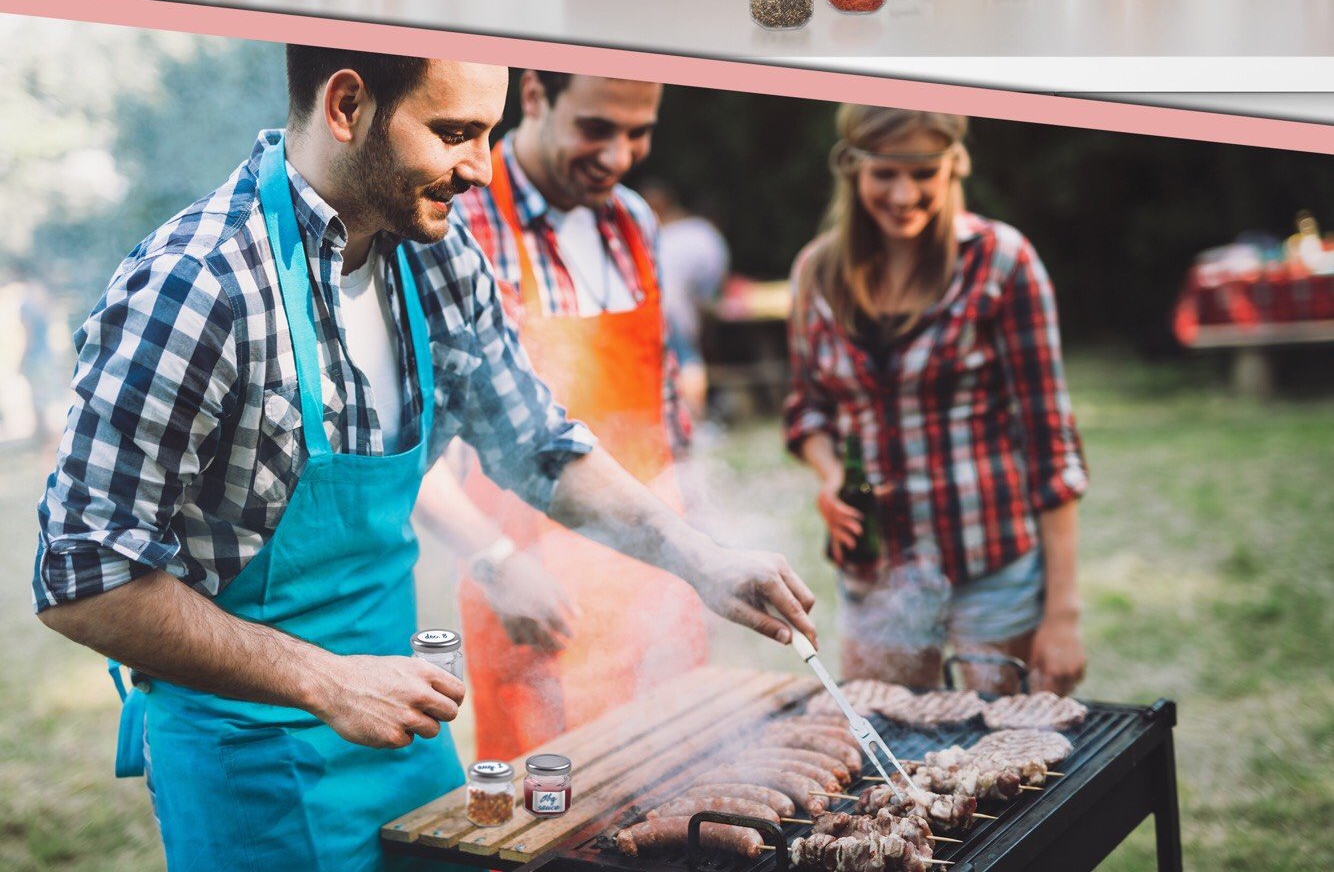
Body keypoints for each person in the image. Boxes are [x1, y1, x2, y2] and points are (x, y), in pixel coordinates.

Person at [33, 49, 816, 872]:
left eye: (489, 132)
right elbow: (85, 581)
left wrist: (703, 560)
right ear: (346, 107)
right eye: (454, 133)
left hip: (406, 733)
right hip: (250, 760)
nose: (481, 167)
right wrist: (329, 683)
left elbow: (538, 446)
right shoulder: (197, 287)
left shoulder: (433, 253)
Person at [426, 71, 709, 760]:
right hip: (536, 590)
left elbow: (666, 412)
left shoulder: (636, 221)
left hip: (655, 584)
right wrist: (494, 560)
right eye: (595, 128)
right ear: (533, 98)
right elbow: (419, 440)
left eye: (638, 133)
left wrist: (704, 548)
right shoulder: (459, 219)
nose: (617, 156)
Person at [785, 105, 1088, 696]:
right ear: (853, 169)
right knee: (892, 754)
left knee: (1005, 759)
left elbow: (1050, 441)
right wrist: (827, 474)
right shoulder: (816, 274)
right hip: (876, 576)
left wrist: (1064, 612)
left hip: (991, 565)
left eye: (924, 172)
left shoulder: (1002, 262)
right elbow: (807, 407)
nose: (904, 194)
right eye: (885, 174)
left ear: (955, 165)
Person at [639, 179, 731, 427]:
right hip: (675, 307)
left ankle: (683, 423)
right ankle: (696, 423)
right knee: (688, 361)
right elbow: (712, 283)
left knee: (673, 365)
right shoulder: (701, 233)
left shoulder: (658, 234)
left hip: (648, 305)